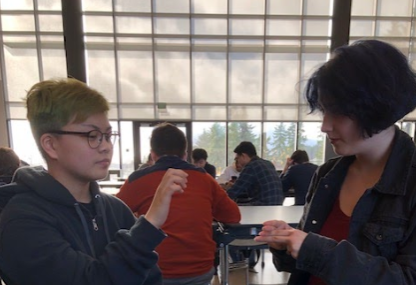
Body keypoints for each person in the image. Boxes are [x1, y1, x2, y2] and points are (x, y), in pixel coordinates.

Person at [254, 40, 416, 285]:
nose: (324, 126)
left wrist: (316, 250)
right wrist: (285, 242)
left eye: (338, 112)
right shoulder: (328, 175)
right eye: (323, 111)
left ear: (379, 107)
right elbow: (304, 265)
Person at [0, 78, 188, 285]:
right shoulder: (22, 221)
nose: (106, 146)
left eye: (108, 135)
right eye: (92, 135)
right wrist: (150, 224)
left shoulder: (115, 209)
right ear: (51, 145)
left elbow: (151, 278)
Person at [116, 123, 241, 285]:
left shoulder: (137, 180)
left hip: (154, 270)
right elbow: (233, 216)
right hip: (199, 269)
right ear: (185, 154)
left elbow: (111, 218)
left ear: (153, 155)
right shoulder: (204, 179)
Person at [227, 141, 284, 205]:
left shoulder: (251, 166)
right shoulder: (268, 163)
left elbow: (235, 190)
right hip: (277, 205)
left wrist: (218, 200)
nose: (237, 162)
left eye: (237, 158)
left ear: (243, 156)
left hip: (263, 205)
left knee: (233, 208)